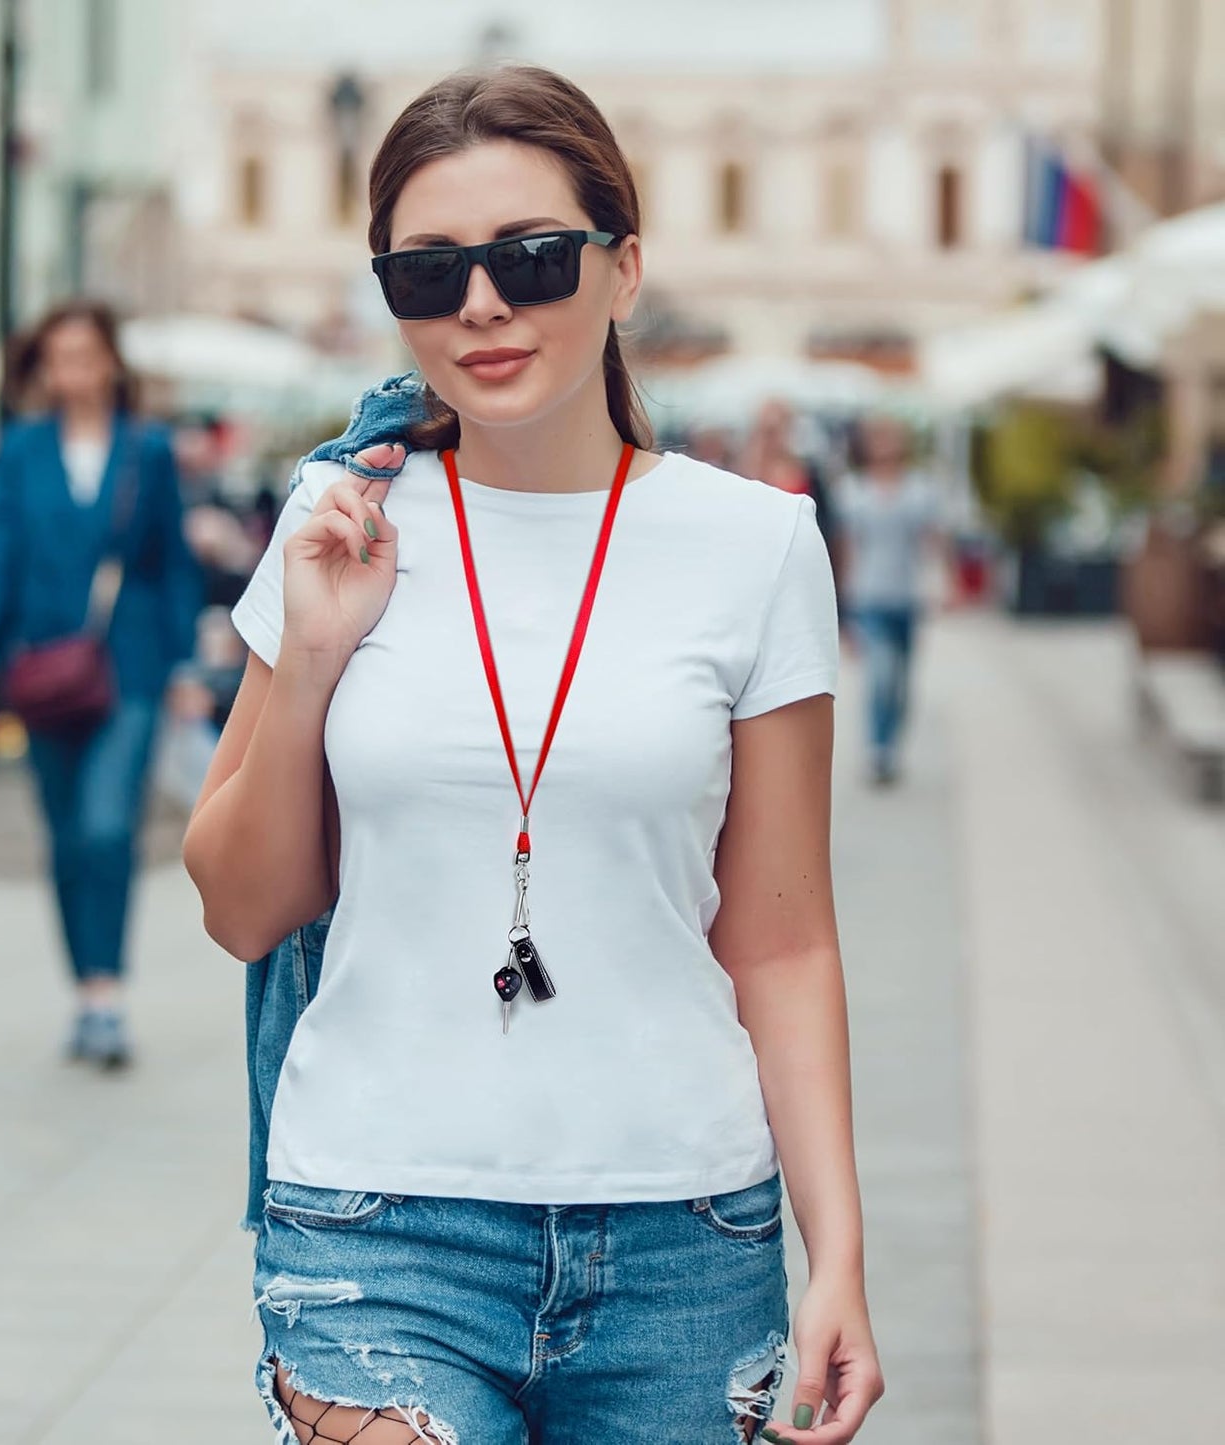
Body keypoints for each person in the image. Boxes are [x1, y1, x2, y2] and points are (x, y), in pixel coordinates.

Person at [185, 65, 883, 1445]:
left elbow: (784, 937)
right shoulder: (337, 522)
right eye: (427, 274)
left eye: (530, 258)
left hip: (684, 1236)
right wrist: (317, 649)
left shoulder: (754, 546)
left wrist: (839, 1254)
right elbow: (241, 903)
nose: (482, 306)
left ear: (624, 269)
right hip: (380, 1229)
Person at [0, 300, 205, 1069]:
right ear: (44, 367)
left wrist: (184, 664)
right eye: (59, 356)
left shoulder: (146, 449)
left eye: (87, 353)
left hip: (126, 668)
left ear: (111, 360)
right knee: (64, 838)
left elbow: (172, 567)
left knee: (105, 827)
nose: (75, 370)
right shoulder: (20, 450)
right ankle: (84, 985)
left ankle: (105, 994)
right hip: (40, 669)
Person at [834, 414, 945, 787]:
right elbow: (847, 549)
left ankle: (893, 744)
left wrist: (947, 580)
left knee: (901, 680)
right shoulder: (854, 491)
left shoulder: (919, 490)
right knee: (879, 676)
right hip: (869, 596)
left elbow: (932, 539)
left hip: (907, 596)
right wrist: (844, 608)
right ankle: (878, 748)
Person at [736, 397, 837, 571]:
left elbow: (828, 526)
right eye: (766, 430)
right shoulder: (744, 474)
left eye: (776, 429)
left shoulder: (809, 473)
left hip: (800, 563)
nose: (771, 438)